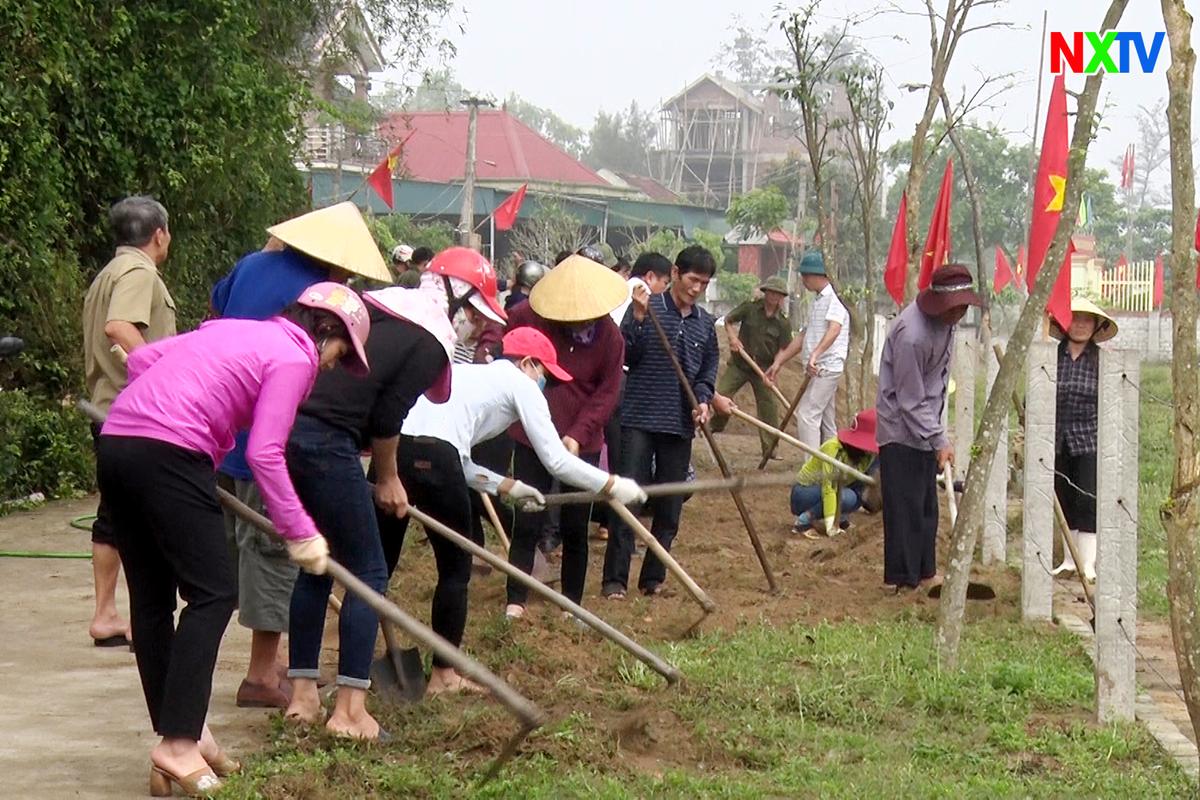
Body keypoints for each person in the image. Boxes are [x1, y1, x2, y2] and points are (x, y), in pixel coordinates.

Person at [95, 282, 366, 797]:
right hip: (171, 454)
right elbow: (265, 452)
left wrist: (202, 426)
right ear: (325, 331)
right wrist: (301, 533)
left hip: (119, 444)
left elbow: (141, 362)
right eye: (341, 353)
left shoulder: (231, 329)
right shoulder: (294, 357)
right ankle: (177, 743)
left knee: (151, 603)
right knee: (214, 592)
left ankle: (187, 737)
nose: (333, 365)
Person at [378, 327, 645, 691]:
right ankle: (443, 675)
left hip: (392, 454)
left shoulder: (467, 376)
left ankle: (353, 675)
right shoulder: (519, 383)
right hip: (435, 460)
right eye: (545, 376)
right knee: (455, 572)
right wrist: (612, 485)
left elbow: (454, 454)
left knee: (374, 570)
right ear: (528, 363)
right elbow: (557, 462)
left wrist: (507, 486)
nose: (545, 385)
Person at [208, 201, 391, 709]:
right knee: (272, 553)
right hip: (264, 439)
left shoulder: (251, 265)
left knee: (233, 555)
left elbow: (218, 309)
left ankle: (248, 662)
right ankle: (262, 674)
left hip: (223, 424)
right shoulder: (316, 298)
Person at [285, 286, 453, 737]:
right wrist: (388, 478)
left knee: (316, 563)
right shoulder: (429, 345)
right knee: (368, 572)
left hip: (290, 432)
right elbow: (386, 417)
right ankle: (350, 712)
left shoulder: (374, 324)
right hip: (327, 442)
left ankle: (302, 697)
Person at [504, 254, 628, 616]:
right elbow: (509, 352)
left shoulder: (610, 337)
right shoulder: (530, 316)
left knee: (576, 523)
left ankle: (573, 604)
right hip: (532, 432)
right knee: (528, 515)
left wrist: (577, 434)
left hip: (582, 440)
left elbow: (607, 393)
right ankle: (516, 600)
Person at [81, 195, 177, 649]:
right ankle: (142, 619)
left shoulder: (107, 273)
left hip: (108, 409)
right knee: (148, 520)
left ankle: (106, 614)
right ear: (159, 235)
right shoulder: (139, 272)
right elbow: (120, 327)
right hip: (138, 415)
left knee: (114, 515)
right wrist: (162, 374)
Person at [602, 245, 720, 599]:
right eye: (692, 279)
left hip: (679, 425)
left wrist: (702, 400)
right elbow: (627, 356)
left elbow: (706, 373)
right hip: (639, 418)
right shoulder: (647, 309)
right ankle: (615, 581)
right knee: (630, 500)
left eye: (704, 283)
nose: (697, 288)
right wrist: (637, 319)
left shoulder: (704, 325)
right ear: (675, 272)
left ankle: (653, 579)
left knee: (669, 506)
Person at [875, 264, 981, 591]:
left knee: (925, 507)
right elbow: (909, 398)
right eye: (957, 308)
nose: (961, 314)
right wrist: (938, 437)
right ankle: (904, 581)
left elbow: (935, 385)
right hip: (900, 430)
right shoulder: (912, 335)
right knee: (904, 508)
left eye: (965, 307)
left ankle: (926, 573)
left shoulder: (946, 325)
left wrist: (938, 433)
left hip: (926, 427)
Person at [1049, 297, 1117, 581]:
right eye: (1074, 318)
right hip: (1057, 440)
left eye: (1086, 320)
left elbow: (1112, 403)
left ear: (1096, 326)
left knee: (1086, 499)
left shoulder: (1102, 361)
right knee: (1064, 500)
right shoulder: (1052, 357)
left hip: (1089, 440)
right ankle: (1068, 560)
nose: (1079, 325)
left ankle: (1087, 564)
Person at [766, 251, 849, 450]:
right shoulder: (818, 301)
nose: (802, 280)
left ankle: (810, 469)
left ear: (817, 275)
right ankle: (831, 468)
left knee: (807, 415)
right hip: (818, 367)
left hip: (826, 367)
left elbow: (835, 328)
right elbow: (803, 337)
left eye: (805, 275)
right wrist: (779, 361)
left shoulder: (834, 298)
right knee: (826, 423)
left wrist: (816, 354)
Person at [712, 275, 793, 458]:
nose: (773, 296)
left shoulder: (783, 322)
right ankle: (712, 427)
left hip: (763, 370)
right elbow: (728, 320)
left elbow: (784, 348)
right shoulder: (750, 307)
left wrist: (775, 367)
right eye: (770, 292)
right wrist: (732, 338)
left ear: (781, 297)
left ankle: (770, 449)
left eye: (777, 293)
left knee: (769, 407)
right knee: (721, 395)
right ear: (765, 293)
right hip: (740, 363)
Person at [790, 408, 879, 539]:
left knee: (858, 491)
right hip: (805, 493)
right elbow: (829, 488)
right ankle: (804, 521)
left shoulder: (869, 455)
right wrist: (831, 526)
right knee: (847, 497)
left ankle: (841, 517)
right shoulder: (833, 448)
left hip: (838, 489)